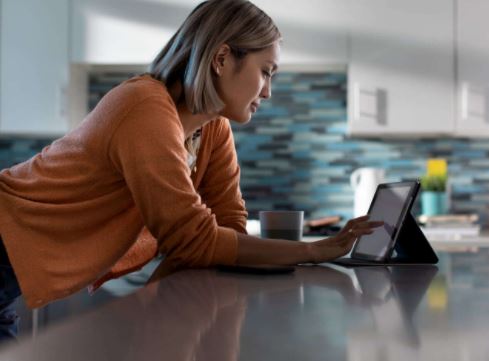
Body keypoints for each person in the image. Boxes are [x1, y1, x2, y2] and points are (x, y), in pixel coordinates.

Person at [0, 0, 382, 318]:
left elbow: (228, 225)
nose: (267, 92)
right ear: (221, 58)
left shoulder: (211, 127)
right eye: (265, 72)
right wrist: (314, 251)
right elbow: (193, 240)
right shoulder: (144, 108)